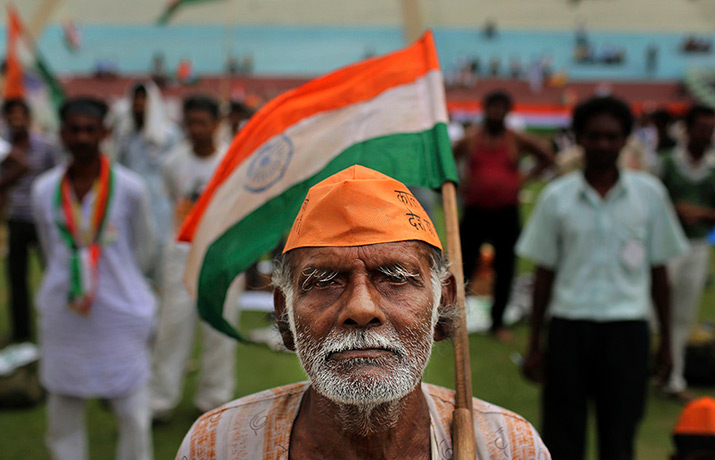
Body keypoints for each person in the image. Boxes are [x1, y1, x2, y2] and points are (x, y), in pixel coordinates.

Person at [175, 165, 550, 459]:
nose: (361, 308)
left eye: (396, 278)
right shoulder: (217, 446)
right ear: (285, 316)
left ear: (444, 302)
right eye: (324, 281)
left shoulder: (511, 448)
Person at [517, 96, 689, 460]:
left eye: (612, 137)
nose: (603, 145)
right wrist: (535, 342)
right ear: (579, 138)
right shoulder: (556, 198)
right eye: (593, 136)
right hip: (568, 330)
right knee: (563, 437)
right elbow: (543, 274)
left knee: (620, 436)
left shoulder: (649, 195)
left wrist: (667, 342)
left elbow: (659, 273)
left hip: (626, 331)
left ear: (626, 138)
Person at [31, 97, 156, 460]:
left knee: (132, 411)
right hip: (64, 311)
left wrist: (117, 278)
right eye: (74, 129)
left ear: (105, 133)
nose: (82, 137)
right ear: (62, 133)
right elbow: (49, 248)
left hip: (120, 312)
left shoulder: (130, 187)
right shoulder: (44, 190)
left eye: (90, 129)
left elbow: (144, 250)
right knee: (63, 410)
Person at [149, 95, 243, 421]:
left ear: (217, 124)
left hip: (223, 254)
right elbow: (170, 201)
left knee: (220, 328)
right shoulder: (172, 163)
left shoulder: (232, 161)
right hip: (182, 254)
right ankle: (160, 400)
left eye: (203, 122)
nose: (196, 129)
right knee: (172, 327)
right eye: (191, 123)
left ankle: (214, 400)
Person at [454, 90, 553, 341]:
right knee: (463, 266)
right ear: (484, 109)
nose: (496, 113)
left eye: (501, 108)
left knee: (506, 268)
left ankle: (497, 323)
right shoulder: (471, 139)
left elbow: (547, 156)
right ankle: (453, 320)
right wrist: (459, 183)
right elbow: (446, 160)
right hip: (475, 212)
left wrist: (523, 178)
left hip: (506, 214)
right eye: (492, 107)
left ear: (508, 112)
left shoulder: (516, 139)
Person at [659, 105, 715, 401]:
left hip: (696, 247)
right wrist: (673, 211)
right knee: (652, 312)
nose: (706, 134)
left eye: (710, 128)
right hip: (665, 248)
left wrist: (700, 213)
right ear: (687, 129)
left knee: (683, 315)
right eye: (701, 127)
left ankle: (673, 378)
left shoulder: (712, 168)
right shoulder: (668, 162)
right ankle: (658, 367)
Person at [0, 98, 59, 343]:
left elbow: (56, 178)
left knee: (53, 276)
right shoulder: (4, 146)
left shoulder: (45, 146)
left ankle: (54, 329)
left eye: (20, 116)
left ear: (28, 118)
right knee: (16, 279)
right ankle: (22, 335)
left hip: (42, 219)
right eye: (11, 117)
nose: (16, 121)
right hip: (16, 218)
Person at [112, 81, 180, 282]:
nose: (139, 105)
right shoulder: (125, 135)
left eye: (143, 100)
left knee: (160, 255)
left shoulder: (169, 134)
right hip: (131, 204)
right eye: (136, 100)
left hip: (160, 206)